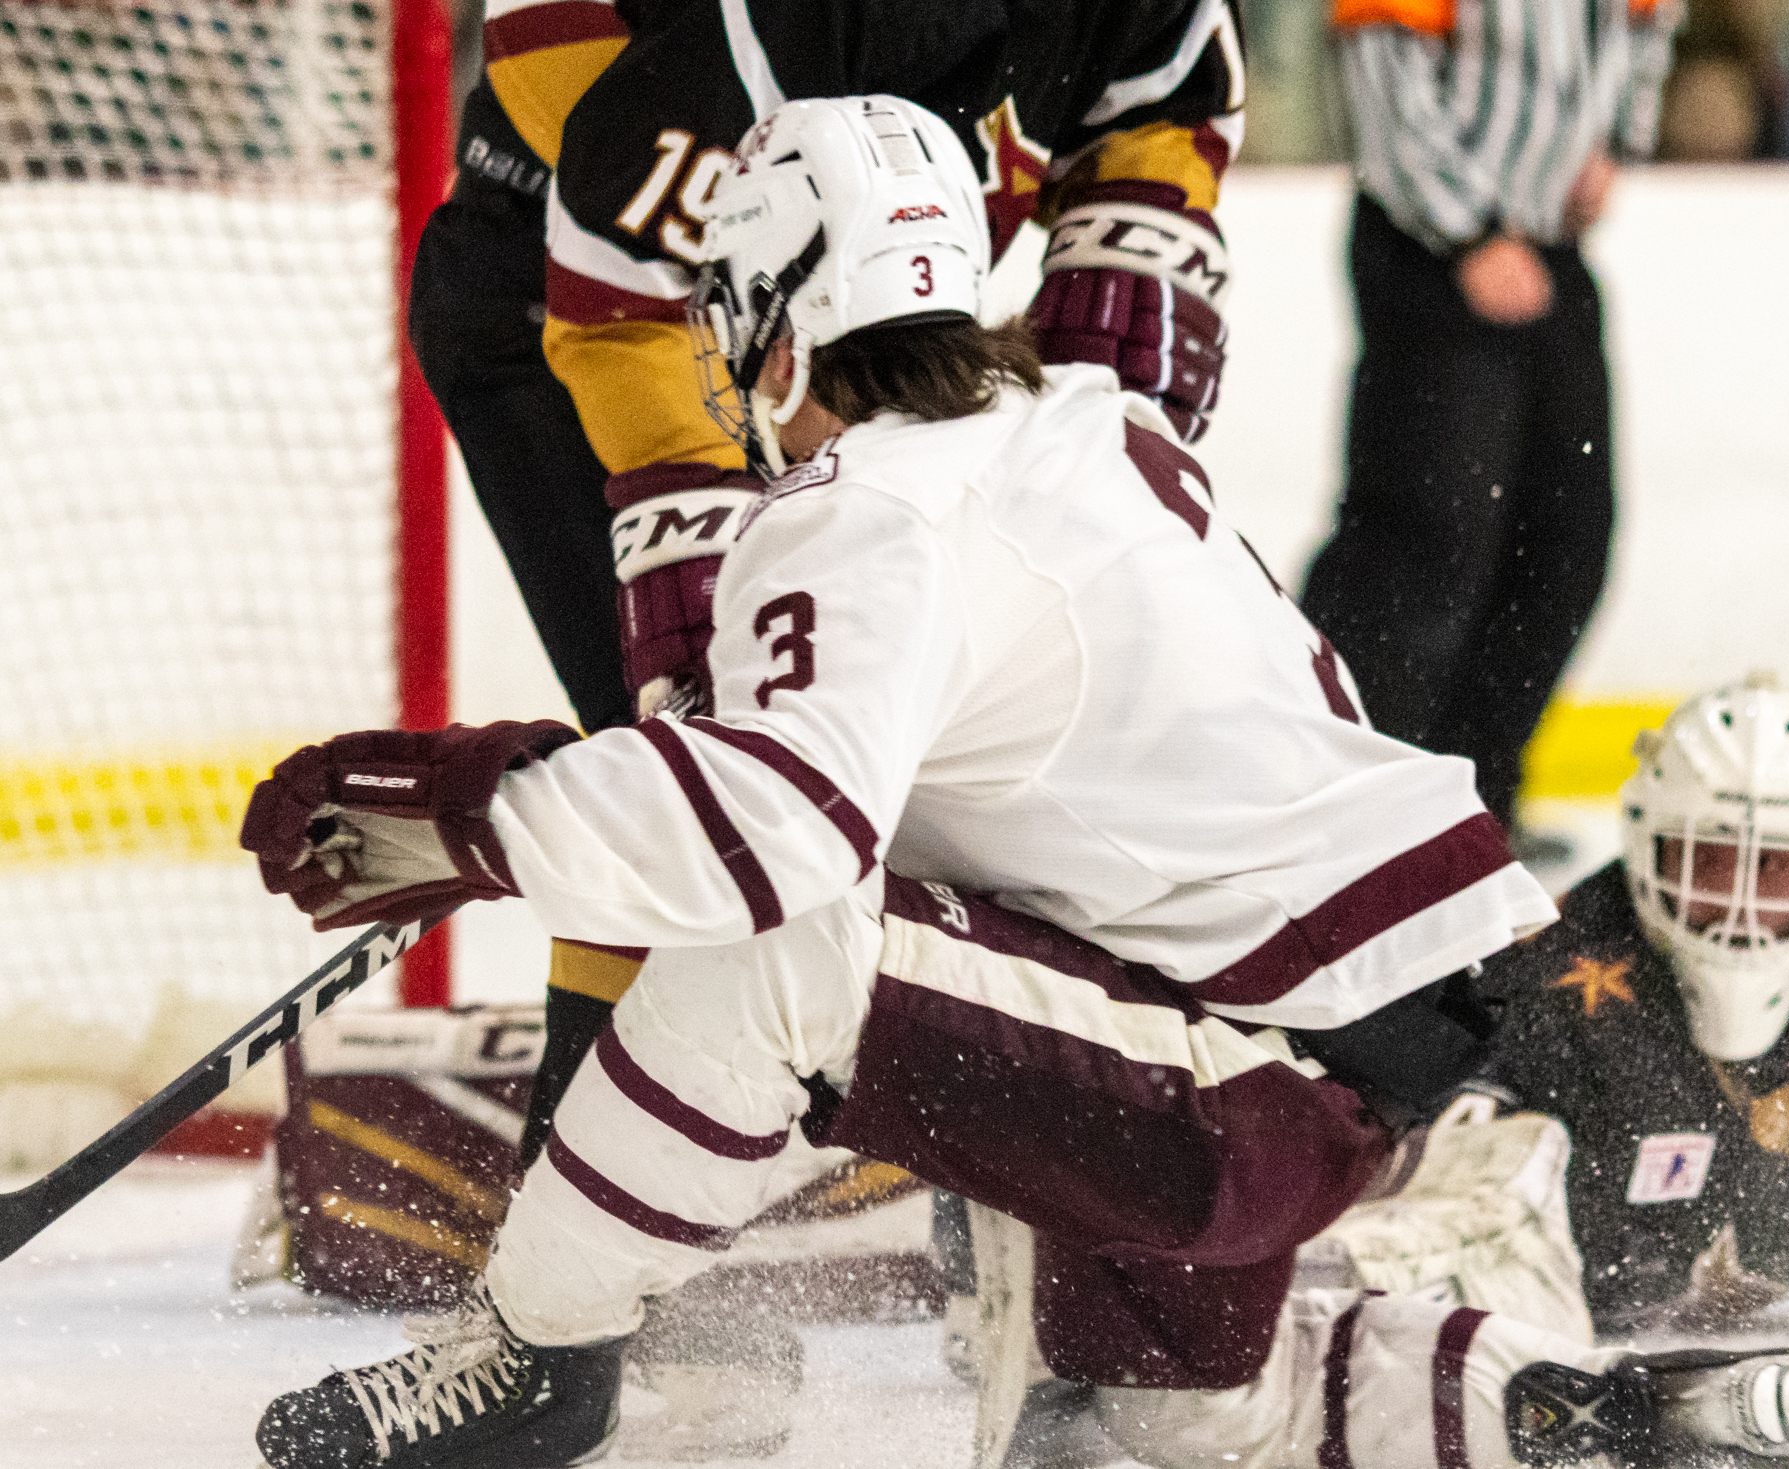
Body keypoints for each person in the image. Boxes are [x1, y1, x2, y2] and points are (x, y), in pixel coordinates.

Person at [242, 101, 1789, 1469]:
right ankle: (1599, 1421)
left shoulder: (864, 513)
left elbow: (771, 842)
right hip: (1375, 1037)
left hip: (1237, 1083)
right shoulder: (1089, 425)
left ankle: (533, 1361)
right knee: (1173, 1423)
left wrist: (471, 812)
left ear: (778, 307)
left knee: (782, 952)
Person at [410, 0, 1248, 1168]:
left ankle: (985, 1196)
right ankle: (568, 1288)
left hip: (848, 321)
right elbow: (626, 299)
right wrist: (699, 580)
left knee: (981, 764)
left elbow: (1161, 102)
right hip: (577, 311)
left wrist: (1097, 394)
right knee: (697, 775)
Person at [1471, 673, 1789, 1331]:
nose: (1742, 904)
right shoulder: (1538, 988)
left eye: (1776, 862)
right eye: (1712, 857)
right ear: (1647, 847)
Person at [1298, 0, 1682, 862]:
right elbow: (1378, 69)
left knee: (1566, 537)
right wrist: (1466, 230)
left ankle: (1471, 808)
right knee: (1420, 544)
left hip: (1547, 250)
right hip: (1429, 248)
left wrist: (1619, 139)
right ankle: (1346, 816)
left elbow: (1648, 22)